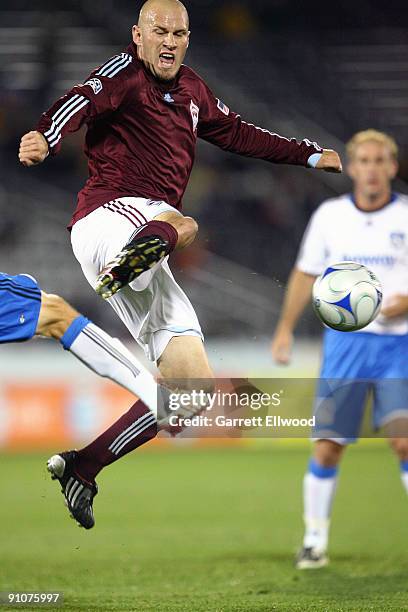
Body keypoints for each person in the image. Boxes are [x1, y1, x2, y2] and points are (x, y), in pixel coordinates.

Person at [18, 0, 341, 529]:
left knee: (191, 392)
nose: (168, 41)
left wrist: (307, 154)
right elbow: (80, 99)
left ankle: (84, 466)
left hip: (142, 239)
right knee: (186, 225)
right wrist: (47, 137)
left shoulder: (193, 90)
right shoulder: (124, 73)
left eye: (179, 32)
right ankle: (133, 259)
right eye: (159, 31)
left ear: (189, 39)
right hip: (107, 216)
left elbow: (240, 133)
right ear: (138, 35)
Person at [271, 130, 408, 568]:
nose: (371, 168)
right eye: (363, 160)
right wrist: (285, 329)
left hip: (399, 345)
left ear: (392, 166)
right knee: (328, 444)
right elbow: (305, 273)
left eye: (379, 160)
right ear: (352, 167)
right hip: (345, 346)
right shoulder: (330, 217)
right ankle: (314, 540)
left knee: (404, 443)